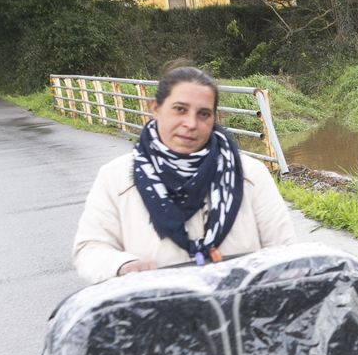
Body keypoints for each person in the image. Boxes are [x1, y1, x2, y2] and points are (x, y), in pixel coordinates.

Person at [73, 66, 296, 283]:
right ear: (155, 108)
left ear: (214, 118)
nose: (191, 124)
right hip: (155, 313)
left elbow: (284, 250)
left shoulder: (250, 174)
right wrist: (121, 265)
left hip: (240, 313)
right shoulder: (115, 178)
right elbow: (90, 249)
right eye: (180, 109)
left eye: (203, 114)